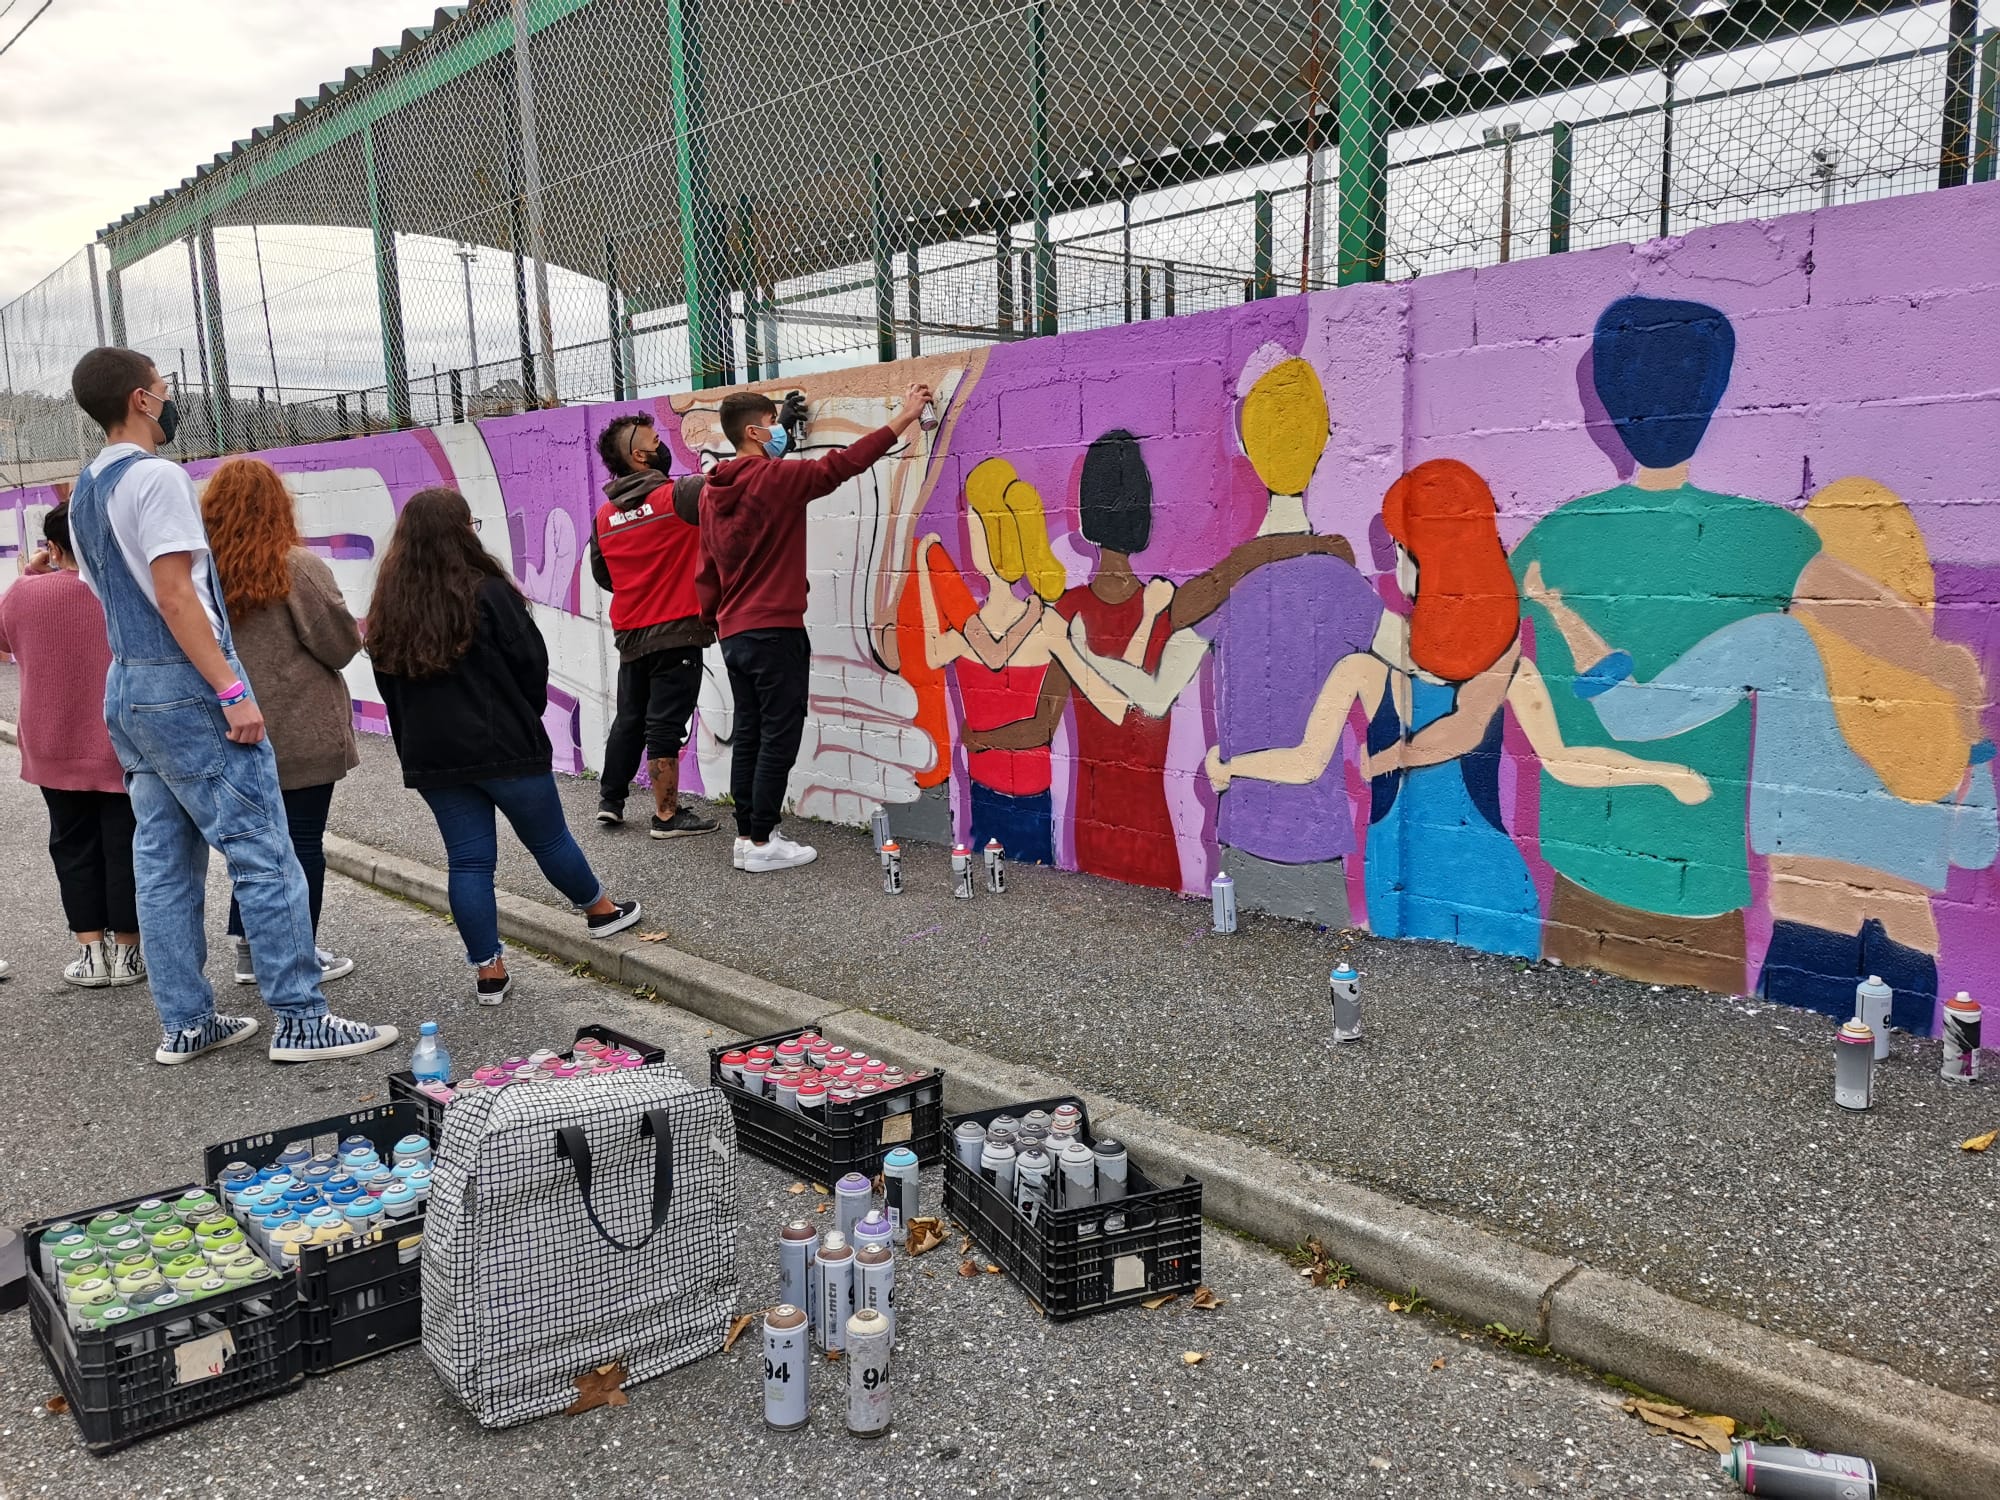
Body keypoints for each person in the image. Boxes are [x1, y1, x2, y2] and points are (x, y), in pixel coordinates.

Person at [1510, 296, 1978, 992]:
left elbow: (1464, 626)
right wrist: (1940, 662)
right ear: (1715, 396)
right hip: (1701, 888)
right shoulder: (1763, 536)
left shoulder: (1555, 533)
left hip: (1580, 871)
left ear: (1606, 406)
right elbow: (1864, 613)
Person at [1527, 476, 1997, 1030]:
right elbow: (1975, 850)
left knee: (1794, 1102)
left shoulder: (1783, 643)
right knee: (1891, 1104)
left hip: (1811, 940)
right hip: (1915, 954)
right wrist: (1978, 749)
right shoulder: (1945, 690)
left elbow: (1634, 716)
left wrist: (1559, 611)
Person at [64, 346, 396, 1065]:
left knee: (161, 859)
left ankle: (186, 1021)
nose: (170, 396)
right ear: (141, 401)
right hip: (185, 683)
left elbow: (112, 593)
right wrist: (232, 689)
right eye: (163, 387)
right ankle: (301, 1018)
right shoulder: (155, 478)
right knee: (264, 851)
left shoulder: (87, 490)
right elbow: (176, 593)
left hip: (130, 684)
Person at [1061, 357, 1377, 917]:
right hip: (1324, 835)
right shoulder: (1344, 583)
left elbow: (1154, 694)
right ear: (1324, 445)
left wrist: (1081, 653)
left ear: (1249, 452)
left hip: (1244, 826)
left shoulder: (1223, 589)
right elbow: (1426, 661)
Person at [367, 486, 643, 1004]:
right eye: (472, 525)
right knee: (549, 840)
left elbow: (387, 685)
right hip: (504, 745)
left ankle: (489, 972)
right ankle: (600, 911)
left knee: (468, 862)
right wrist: (524, 714)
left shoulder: (390, 606)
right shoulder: (490, 593)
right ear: (461, 533)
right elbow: (531, 666)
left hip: (434, 756)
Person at [695, 382, 934, 873]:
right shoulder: (773, 479)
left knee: (751, 733)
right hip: (774, 631)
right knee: (779, 734)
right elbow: (842, 465)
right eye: (772, 425)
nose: (778, 433)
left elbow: (706, 569)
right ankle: (761, 844)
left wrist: (715, 623)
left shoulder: (710, 491)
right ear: (754, 431)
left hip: (734, 634)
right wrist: (906, 415)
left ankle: (749, 836)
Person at [201, 457, 362, 989]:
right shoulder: (296, 566)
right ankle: (297, 953)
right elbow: (339, 646)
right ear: (279, 506)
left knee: (251, 841)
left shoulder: (197, 572)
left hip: (226, 726)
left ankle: (250, 948)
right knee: (302, 842)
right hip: (300, 731)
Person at [0, 501, 145, 987]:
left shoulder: (24, 594)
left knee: (72, 844)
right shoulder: (126, 589)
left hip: (51, 741)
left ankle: (90, 954)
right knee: (127, 843)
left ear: (54, 546)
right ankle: (129, 953)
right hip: (122, 740)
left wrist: (28, 577)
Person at [914, 457, 1067, 864]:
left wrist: (924, 567)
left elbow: (939, 650)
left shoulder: (973, 632)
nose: (966, 531)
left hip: (1001, 788)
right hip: (1023, 790)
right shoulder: (1044, 620)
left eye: (973, 523)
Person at [587, 413, 718, 838]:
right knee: (664, 722)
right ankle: (667, 816)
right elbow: (740, 483)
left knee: (630, 717)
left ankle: (611, 800)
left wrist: (640, 581)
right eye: (657, 440)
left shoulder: (604, 516)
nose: (664, 445)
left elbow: (603, 575)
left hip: (631, 633)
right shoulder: (678, 495)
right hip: (676, 631)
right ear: (642, 455)